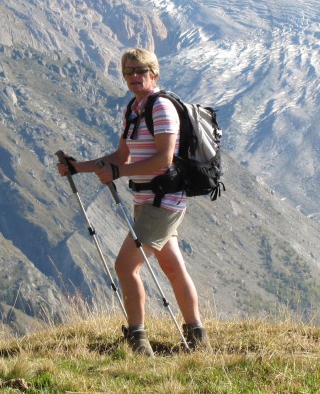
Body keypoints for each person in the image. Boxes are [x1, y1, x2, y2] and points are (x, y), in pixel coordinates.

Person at [57, 48, 209, 355]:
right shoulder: (134, 109)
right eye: (128, 72)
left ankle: (138, 342)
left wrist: (119, 172)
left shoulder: (160, 108)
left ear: (154, 73)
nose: (133, 77)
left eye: (140, 71)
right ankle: (198, 337)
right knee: (172, 266)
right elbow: (120, 156)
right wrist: (80, 166)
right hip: (147, 198)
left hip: (163, 200)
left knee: (125, 266)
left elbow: (164, 159)